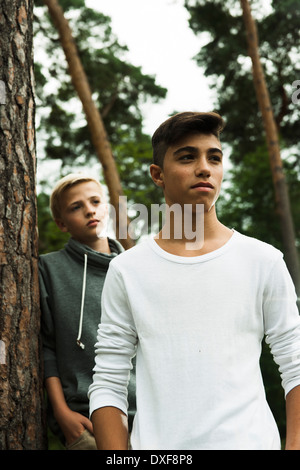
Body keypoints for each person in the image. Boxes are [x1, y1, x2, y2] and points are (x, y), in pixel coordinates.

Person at [88, 112, 300, 450]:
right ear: (157, 174)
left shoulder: (263, 260)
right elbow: (109, 381)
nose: (204, 168)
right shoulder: (128, 270)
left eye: (214, 158)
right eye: (188, 157)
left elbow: (296, 363)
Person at [39, 173, 136, 450]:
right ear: (61, 223)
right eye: (75, 207)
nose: (90, 210)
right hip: (87, 423)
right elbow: (45, 347)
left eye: (95, 201)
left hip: (149, 419)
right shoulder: (48, 269)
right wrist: (61, 412)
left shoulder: (135, 269)